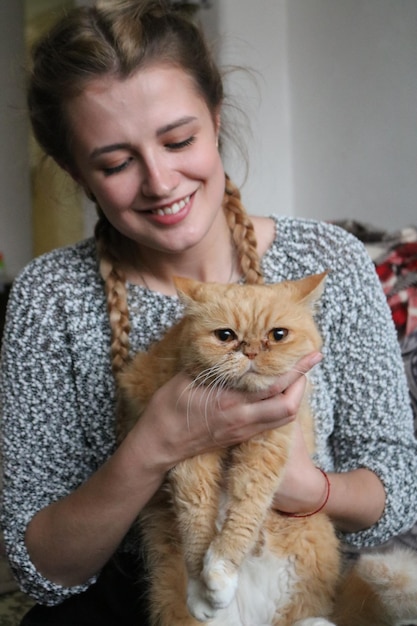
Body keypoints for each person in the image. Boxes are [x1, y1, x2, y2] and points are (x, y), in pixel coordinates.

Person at [1, 1, 416, 624]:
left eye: (179, 140)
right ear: (76, 173)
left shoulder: (327, 259)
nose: (161, 181)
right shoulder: (50, 298)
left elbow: (399, 490)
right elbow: (46, 568)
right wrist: (155, 445)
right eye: (115, 163)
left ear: (216, 119)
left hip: (291, 589)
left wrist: (306, 488)